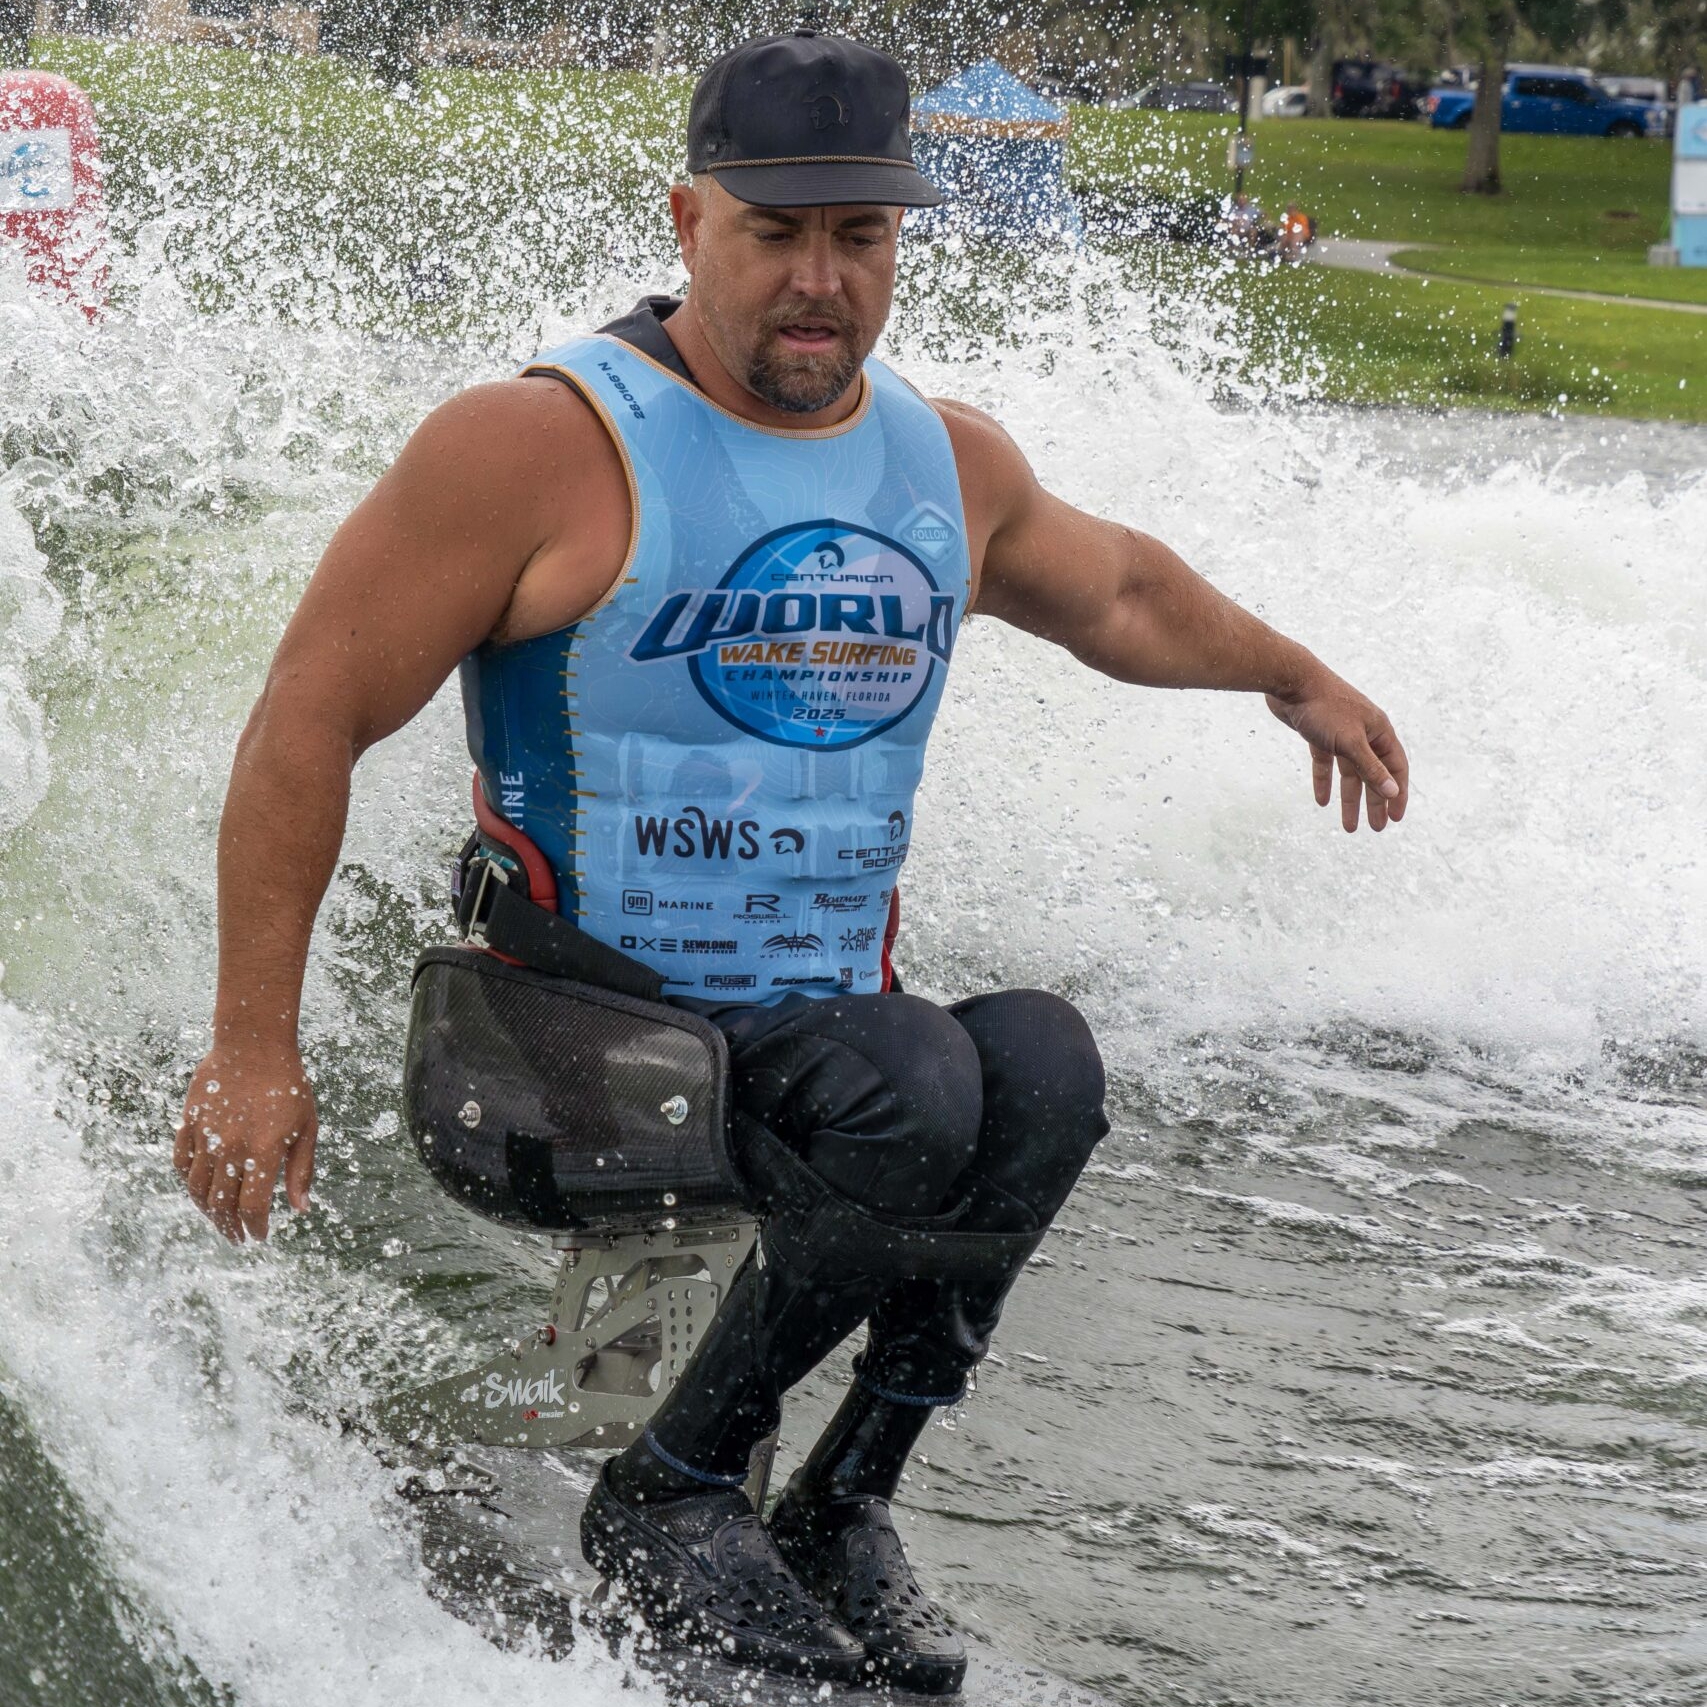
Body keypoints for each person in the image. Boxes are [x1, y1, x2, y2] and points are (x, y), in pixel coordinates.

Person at [175, 28, 1410, 1697]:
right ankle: (669, 1497)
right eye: (777, 233)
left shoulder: (942, 464)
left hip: (802, 1069)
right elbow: (302, 725)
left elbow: (1118, 594)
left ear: (901, 238)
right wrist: (255, 1044)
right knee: (911, 1068)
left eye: (860, 236)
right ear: (689, 221)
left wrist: (1293, 672)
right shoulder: (537, 446)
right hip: (552, 1056)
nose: (818, 282)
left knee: (1039, 1062)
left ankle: (841, 1504)